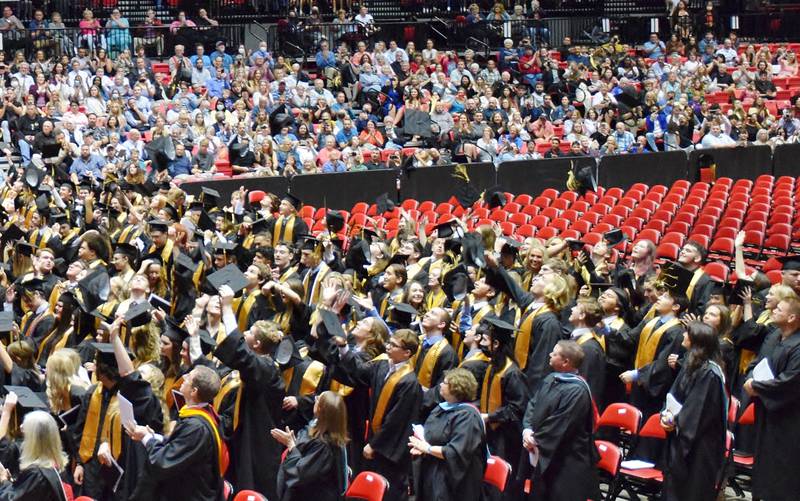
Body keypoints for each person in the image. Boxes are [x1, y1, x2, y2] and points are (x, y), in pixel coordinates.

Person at [334, 328, 422, 501]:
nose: (388, 346)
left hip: (389, 448)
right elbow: (357, 372)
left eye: (394, 345)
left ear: (407, 353)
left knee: (388, 490)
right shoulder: (382, 366)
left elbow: (396, 421)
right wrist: (343, 347)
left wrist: (375, 445)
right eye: (389, 342)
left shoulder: (409, 383)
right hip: (375, 438)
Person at [127, 365, 225, 501]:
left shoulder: (196, 428)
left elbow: (162, 461)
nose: (183, 378)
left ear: (194, 391)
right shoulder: (201, 417)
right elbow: (180, 446)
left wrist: (146, 437)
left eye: (188, 378)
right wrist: (156, 437)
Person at [522, 340, 599, 501]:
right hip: (545, 452)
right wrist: (527, 429)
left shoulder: (577, 391)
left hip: (567, 462)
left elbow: (561, 423)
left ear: (565, 362)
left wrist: (535, 440)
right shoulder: (551, 378)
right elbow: (533, 404)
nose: (550, 354)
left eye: (554, 353)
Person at [660, 322, 728, 501]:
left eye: (687, 334)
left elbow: (697, 412)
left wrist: (675, 421)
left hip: (699, 446)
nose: (683, 336)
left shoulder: (709, 373)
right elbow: (673, 396)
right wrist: (666, 415)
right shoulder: (691, 366)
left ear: (696, 340)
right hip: (681, 438)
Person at [744, 297, 800, 501]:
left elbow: (791, 381)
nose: (773, 310)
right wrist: (751, 379)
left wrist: (757, 387)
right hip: (766, 413)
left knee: (782, 468)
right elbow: (757, 362)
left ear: (792, 317)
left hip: (789, 419)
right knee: (764, 461)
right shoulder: (775, 336)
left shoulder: (798, 346)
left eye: (779, 309)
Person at [408, 368, 487, 501]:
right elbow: (431, 436)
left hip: (454, 482)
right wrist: (422, 447)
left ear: (456, 388)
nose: (440, 385)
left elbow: (455, 452)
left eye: (444, 383)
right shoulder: (441, 408)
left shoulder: (468, 416)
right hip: (432, 471)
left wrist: (426, 448)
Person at [272, 390, 349, 501]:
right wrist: (294, 444)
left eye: (317, 399)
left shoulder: (325, 446)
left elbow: (301, 474)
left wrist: (292, 446)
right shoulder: (316, 427)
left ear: (320, 409)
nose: (315, 400)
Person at [0, 406, 69, 500]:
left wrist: (3, 480)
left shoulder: (37, 474)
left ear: (34, 441)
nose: (23, 443)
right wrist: (8, 481)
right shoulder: (51, 465)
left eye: (25, 438)